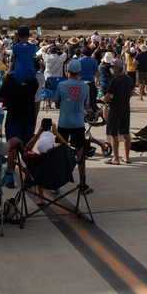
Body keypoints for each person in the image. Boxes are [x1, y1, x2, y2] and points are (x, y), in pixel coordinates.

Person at [55, 59, 93, 194]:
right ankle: (82, 183)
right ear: (80, 72)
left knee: (59, 152)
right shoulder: (85, 87)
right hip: (78, 123)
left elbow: (57, 103)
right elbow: (87, 105)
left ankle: (55, 184)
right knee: (80, 153)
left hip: (63, 122)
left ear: (67, 71)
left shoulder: (61, 85)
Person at [102, 58, 134, 164]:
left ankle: (115, 158)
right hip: (126, 108)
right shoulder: (128, 79)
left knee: (114, 134)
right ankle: (127, 157)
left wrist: (102, 100)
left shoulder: (114, 81)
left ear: (117, 68)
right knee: (126, 133)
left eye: (113, 67)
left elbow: (108, 96)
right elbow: (132, 92)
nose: (112, 69)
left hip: (115, 109)